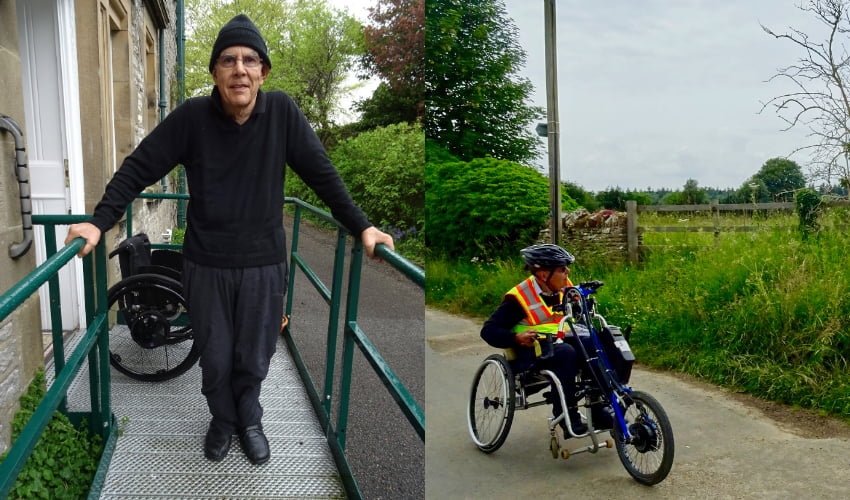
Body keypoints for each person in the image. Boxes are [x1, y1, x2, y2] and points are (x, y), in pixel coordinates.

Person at [64, 13, 394, 466]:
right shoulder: (192, 119)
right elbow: (138, 168)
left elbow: (322, 175)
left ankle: (250, 420)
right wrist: (100, 222)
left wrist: (362, 226)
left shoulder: (282, 114)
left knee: (254, 356)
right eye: (228, 60)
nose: (239, 69)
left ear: (263, 71)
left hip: (263, 263)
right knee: (216, 358)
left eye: (249, 60)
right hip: (206, 263)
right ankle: (222, 420)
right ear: (216, 72)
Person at [480, 243, 595, 438]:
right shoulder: (519, 298)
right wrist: (515, 338)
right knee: (567, 353)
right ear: (543, 274)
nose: (567, 272)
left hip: (558, 342)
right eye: (562, 269)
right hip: (531, 352)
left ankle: (601, 408)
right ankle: (567, 417)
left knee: (596, 343)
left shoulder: (564, 287)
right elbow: (488, 330)